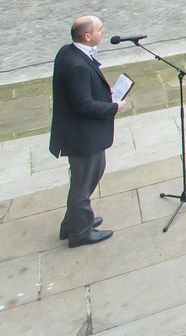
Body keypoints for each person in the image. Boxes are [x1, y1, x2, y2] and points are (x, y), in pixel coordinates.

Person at [49, 16, 128, 247]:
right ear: (87, 36)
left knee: (88, 177)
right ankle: (80, 232)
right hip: (83, 137)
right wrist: (114, 106)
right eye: (99, 29)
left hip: (80, 134)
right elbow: (83, 105)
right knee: (82, 184)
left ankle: (72, 224)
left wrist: (104, 92)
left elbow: (82, 92)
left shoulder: (67, 52)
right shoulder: (77, 65)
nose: (102, 33)